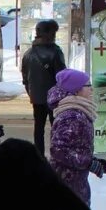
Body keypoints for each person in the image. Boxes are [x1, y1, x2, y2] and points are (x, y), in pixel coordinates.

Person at [47, 69, 106, 205]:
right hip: (68, 188)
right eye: (88, 85)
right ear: (76, 90)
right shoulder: (72, 116)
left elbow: (75, 147)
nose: (92, 89)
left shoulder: (78, 112)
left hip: (75, 184)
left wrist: (94, 161)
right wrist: (88, 163)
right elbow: (58, 150)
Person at [20, 19, 67, 154]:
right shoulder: (55, 51)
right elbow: (62, 76)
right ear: (50, 34)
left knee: (38, 128)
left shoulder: (28, 53)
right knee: (57, 127)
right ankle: (57, 154)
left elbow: (25, 78)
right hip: (55, 97)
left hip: (36, 97)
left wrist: (31, 93)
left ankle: (39, 156)